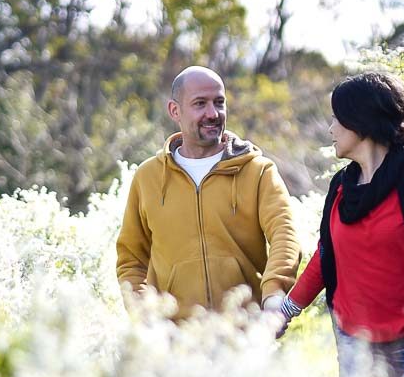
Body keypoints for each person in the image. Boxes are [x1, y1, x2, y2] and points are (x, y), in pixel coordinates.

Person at [275, 71, 404, 377]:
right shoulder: (341, 187)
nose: (330, 129)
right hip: (357, 347)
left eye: (337, 119)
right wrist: (285, 312)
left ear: (360, 122)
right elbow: (327, 257)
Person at [115, 66, 301, 317]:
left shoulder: (258, 171)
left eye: (219, 102)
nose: (213, 113)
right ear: (175, 110)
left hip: (245, 330)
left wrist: (274, 295)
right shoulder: (147, 177)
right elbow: (131, 258)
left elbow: (284, 234)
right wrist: (143, 314)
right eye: (200, 104)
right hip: (174, 338)